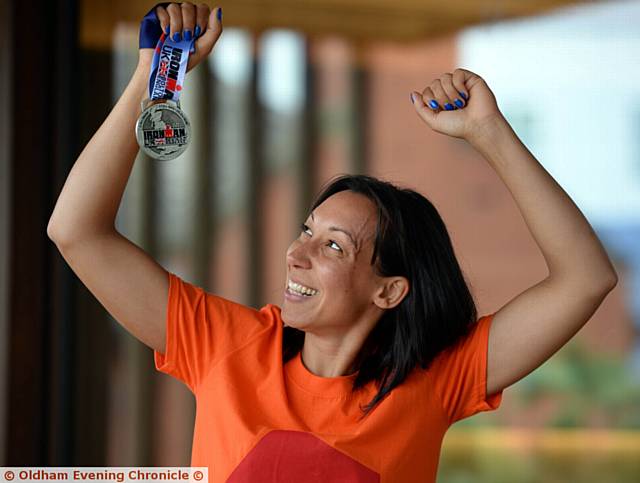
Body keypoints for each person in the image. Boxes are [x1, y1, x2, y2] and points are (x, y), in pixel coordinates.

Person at [47, 2, 619, 482]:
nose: (297, 255)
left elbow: (585, 279)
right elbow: (75, 231)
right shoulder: (227, 348)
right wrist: (154, 77)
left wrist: (489, 134)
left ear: (389, 291)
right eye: (306, 232)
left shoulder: (434, 382)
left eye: (334, 247)